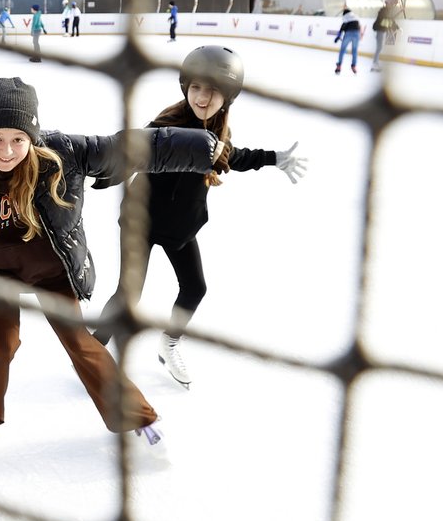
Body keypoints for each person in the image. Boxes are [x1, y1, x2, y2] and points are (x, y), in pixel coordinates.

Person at [0, 77, 226, 457]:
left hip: (50, 272)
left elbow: (131, 148)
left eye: (18, 139)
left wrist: (198, 145)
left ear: (33, 137)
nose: (7, 151)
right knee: (2, 342)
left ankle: (139, 417)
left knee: (80, 344)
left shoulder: (63, 154)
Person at [91, 46, 308, 388]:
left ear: (228, 97)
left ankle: (170, 342)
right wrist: (103, 168)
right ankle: (92, 352)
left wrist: (273, 158)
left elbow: (233, 157)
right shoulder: (166, 125)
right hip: (140, 222)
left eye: (212, 90)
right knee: (128, 293)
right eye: (196, 87)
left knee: (195, 288)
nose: (202, 97)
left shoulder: (220, 134)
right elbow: (131, 149)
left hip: (181, 225)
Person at [371, 0, 400, 72]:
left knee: (379, 47)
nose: (393, 6)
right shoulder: (384, 10)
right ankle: (374, 64)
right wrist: (395, 26)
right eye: (392, 4)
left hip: (380, 30)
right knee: (379, 47)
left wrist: (396, 26)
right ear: (389, 3)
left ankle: (375, 64)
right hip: (379, 30)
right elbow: (389, 20)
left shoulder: (387, 10)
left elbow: (391, 19)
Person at [334, 7, 360, 74]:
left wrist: (338, 36)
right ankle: (354, 66)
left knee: (342, 50)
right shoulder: (355, 16)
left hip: (349, 33)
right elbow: (359, 27)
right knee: (354, 51)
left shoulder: (346, 16)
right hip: (357, 33)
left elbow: (342, 27)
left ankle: (339, 66)